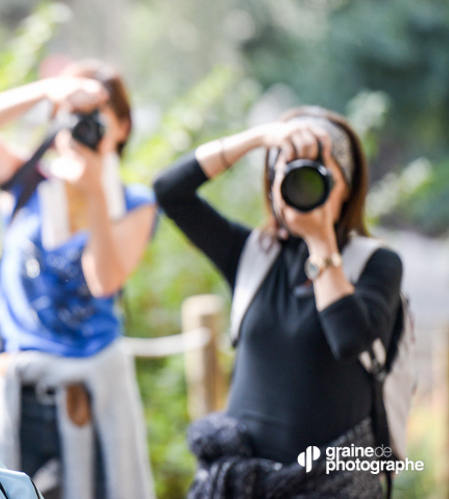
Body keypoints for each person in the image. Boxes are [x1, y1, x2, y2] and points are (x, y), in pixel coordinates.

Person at [153, 106, 403, 497]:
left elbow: (349, 337)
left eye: (316, 176)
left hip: (334, 482)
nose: (301, 186)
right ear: (272, 182)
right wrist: (257, 139)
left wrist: (320, 239)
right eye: (288, 173)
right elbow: (169, 191)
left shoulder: (376, 262)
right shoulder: (252, 253)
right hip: (240, 483)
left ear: (347, 186)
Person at [0, 60, 157, 499]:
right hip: (17, 390)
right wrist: (52, 89)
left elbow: (104, 281)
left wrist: (97, 193)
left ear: (122, 126)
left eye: (98, 114)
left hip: (92, 393)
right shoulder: (26, 183)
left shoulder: (136, 203)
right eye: (76, 114)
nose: (84, 123)